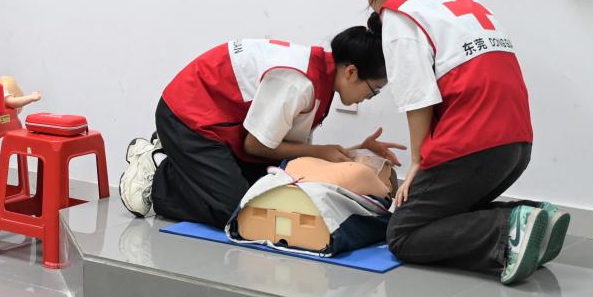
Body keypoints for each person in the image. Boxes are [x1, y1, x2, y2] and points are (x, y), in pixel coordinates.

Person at [355, 0, 569, 285]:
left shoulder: (399, 13)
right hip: (515, 143)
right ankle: (533, 218)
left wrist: (417, 162)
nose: (372, 6)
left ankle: (507, 229)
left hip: (474, 143)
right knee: (446, 211)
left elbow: (418, 96)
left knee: (403, 233)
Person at [119, 16, 404, 228]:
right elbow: (255, 146)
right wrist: (322, 152)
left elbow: (288, 150)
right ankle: (158, 172)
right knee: (240, 211)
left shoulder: (324, 79)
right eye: (374, 90)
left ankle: (178, 158)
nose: (369, 98)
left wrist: (356, 150)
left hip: (224, 126)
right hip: (187, 117)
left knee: (271, 189)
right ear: (351, 72)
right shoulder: (299, 83)